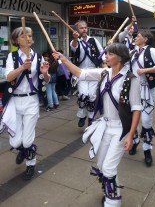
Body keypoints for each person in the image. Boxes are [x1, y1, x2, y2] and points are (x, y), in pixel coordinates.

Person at [52, 43, 141, 207]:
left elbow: (136, 109)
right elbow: (80, 73)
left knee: (108, 168)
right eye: (106, 53)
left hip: (121, 129)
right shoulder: (103, 73)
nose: (105, 56)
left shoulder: (131, 79)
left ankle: (112, 202)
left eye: (110, 54)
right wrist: (64, 60)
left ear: (120, 57)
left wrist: (131, 134)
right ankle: (110, 192)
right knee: (101, 165)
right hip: (104, 126)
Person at [0, 27, 50, 180]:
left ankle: (31, 164)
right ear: (17, 40)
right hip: (15, 101)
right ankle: (22, 150)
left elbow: (46, 80)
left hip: (31, 101)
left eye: (29, 35)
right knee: (15, 141)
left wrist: (44, 73)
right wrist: (22, 67)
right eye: (23, 36)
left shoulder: (38, 56)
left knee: (27, 140)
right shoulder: (12, 57)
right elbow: (8, 77)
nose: (28, 38)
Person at [129, 29, 155, 166]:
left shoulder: (152, 51)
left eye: (138, 36)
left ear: (145, 39)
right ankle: (134, 142)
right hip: (133, 89)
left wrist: (145, 70)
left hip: (146, 89)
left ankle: (147, 150)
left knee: (146, 120)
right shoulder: (133, 52)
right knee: (131, 118)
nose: (135, 38)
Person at [70, 20, 103, 127]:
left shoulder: (93, 40)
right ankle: (82, 115)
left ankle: (91, 117)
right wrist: (75, 39)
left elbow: (101, 52)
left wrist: (104, 64)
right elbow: (74, 48)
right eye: (81, 28)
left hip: (93, 71)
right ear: (76, 30)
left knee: (92, 95)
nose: (84, 29)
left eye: (85, 27)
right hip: (81, 71)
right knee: (83, 95)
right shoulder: (74, 41)